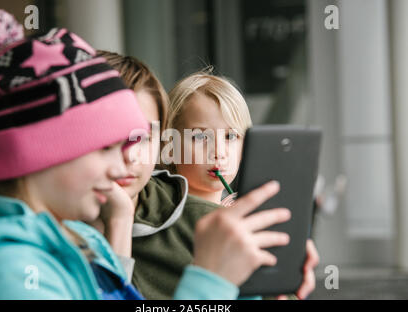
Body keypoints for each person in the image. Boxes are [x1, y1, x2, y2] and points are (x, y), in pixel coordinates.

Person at [0, 9, 289, 300]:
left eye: (144, 138)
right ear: (36, 152)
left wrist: (253, 282)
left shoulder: (82, 242)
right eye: (104, 146)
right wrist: (211, 279)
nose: (122, 164)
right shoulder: (9, 273)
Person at [92, 53, 317, 299]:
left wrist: (275, 288)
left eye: (231, 137)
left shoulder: (220, 220)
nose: (219, 153)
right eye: (200, 136)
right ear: (169, 143)